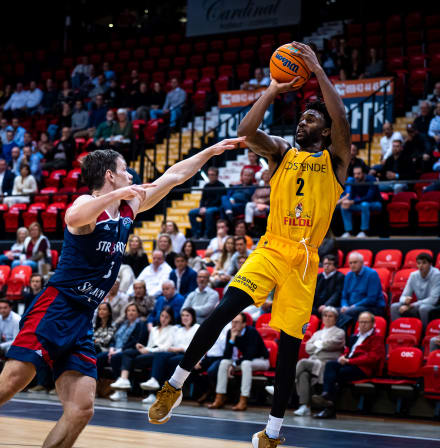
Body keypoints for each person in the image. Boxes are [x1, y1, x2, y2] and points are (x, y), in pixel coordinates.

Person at [0, 139, 244, 447]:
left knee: (81, 409)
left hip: (83, 317)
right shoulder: (87, 205)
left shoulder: (129, 206)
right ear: (110, 175)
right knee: (9, 384)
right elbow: (73, 218)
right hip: (56, 307)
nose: (131, 175)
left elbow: (174, 176)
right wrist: (117, 194)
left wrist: (210, 151)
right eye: (125, 170)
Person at [150, 42, 351, 447]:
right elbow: (245, 133)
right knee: (223, 310)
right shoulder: (281, 153)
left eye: (312, 119)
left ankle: (272, 433)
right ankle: (175, 384)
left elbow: (342, 118)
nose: (303, 123)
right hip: (272, 247)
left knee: (289, 346)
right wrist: (274, 89)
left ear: (327, 131)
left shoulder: (336, 160)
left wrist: (317, 70)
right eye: (302, 117)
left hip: (304, 259)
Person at [271, 306, 344, 416]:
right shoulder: (317, 333)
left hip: (326, 363)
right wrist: (320, 345)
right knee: (303, 374)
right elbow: (307, 347)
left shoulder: (340, 332)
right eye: (325, 315)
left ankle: (280, 387)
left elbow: (332, 344)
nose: (327, 318)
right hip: (313, 362)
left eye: (330, 316)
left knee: (303, 362)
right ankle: (305, 406)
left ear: (335, 319)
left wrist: (317, 344)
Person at [312, 311, 384, 419]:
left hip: (363, 368)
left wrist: (350, 361)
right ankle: (326, 394)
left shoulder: (376, 338)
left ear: (373, 324)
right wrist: (343, 357)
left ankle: (328, 405)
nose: (363, 324)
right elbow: (348, 351)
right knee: (330, 365)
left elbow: (373, 358)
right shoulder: (354, 336)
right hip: (349, 365)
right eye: (361, 322)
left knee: (337, 376)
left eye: (366, 322)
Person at [109, 306, 176, 401]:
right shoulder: (154, 329)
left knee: (156, 357)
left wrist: (149, 350)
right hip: (150, 352)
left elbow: (166, 347)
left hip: (160, 354)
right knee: (122, 355)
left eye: (167, 317)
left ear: (171, 318)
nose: (163, 319)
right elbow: (150, 345)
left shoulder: (173, 329)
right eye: (162, 316)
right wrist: (142, 347)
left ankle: (152, 394)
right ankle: (123, 383)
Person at [208, 313, 270, 412]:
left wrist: (234, 364)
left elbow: (250, 354)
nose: (234, 324)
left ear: (244, 324)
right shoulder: (230, 332)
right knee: (224, 362)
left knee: (245, 363)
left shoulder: (252, 332)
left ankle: (243, 400)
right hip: (245, 360)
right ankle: (219, 397)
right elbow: (227, 356)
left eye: (237, 322)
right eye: (232, 322)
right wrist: (232, 339)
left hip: (261, 360)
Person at [139, 308, 200, 403]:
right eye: (183, 315)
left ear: (193, 317)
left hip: (189, 355)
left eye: (187, 315)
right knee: (160, 356)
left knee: (169, 362)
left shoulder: (197, 327)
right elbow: (172, 344)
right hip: (175, 352)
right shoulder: (179, 329)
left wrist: (181, 349)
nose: (184, 318)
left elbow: (198, 345)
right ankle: (154, 386)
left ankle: (160, 393)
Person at [390, 253, 440, 326]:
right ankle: (397, 328)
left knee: (423, 309)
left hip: (435, 306)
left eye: (424, 263)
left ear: (430, 264)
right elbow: (403, 296)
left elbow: (433, 300)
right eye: (419, 263)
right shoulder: (413, 275)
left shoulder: (437, 275)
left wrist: (412, 305)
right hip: (418, 305)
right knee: (394, 307)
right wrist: (405, 300)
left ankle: (424, 331)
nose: (421, 266)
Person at [338, 252, 385, 329]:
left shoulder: (372, 274)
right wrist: (344, 306)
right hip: (351, 307)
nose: (352, 265)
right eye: (350, 263)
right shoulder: (348, 275)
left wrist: (354, 306)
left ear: (362, 263)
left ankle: (341, 334)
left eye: (355, 262)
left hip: (372, 307)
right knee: (331, 311)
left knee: (349, 312)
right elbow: (344, 297)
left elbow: (371, 299)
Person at [339, 165, 382, 238]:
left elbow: (369, 197)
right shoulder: (354, 181)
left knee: (364, 204)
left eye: (358, 173)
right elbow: (352, 196)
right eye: (355, 174)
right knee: (344, 206)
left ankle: (364, 231)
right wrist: (347, 201)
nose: (356, 176)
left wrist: (352, 202)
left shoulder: (371, 179)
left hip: (375, 203)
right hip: (361, 203)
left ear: (363, 173)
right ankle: (348, 231)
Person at [188, 166, 226, 239]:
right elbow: (202, 199)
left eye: (212, 174)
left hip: (217, 207)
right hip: (206, 208)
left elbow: (218, 201)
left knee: (208, 212)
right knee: (191, 213)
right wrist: (201, 207)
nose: (210, 176)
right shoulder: (206, 186)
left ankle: (207, 234)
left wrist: (206, 208)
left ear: (217, 176)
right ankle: (196, 234)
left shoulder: (221, 185)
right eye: (209, 174)